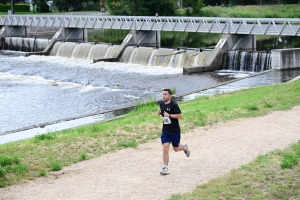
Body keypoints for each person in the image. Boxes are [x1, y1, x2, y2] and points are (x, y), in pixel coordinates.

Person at [156, 88, 190, 175]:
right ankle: (165, 167)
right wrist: (160, 113)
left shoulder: (174, 105)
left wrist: (170, 115)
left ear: (170, 95)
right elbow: (164, 114)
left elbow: (180, 115)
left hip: (174, 131)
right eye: (163, 94)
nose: (163, 96)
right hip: (165, 130)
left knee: (176, 148)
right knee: (165, 147)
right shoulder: (161, 105)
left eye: (165, 94)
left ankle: (184, 147)